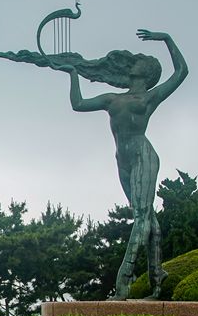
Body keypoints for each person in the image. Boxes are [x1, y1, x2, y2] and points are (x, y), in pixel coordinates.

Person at [57, 29, 188, 299]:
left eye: (140, 61)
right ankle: (157, 278)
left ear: (148, 72)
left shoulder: (150, 96)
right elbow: (78, 104)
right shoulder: (111, 99)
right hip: (123, 159)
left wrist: (165, 39)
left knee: (141, 217)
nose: (134, 63)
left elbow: (181, 72)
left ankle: (124, 279)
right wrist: (73, 74)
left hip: (143, 154)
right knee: (148, 218)